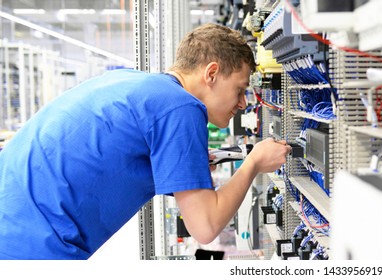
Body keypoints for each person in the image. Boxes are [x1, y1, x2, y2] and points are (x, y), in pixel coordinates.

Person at [0, 23, 291, 259]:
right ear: (211, 73)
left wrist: (189, 164)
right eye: (239, 90)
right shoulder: (181, 107)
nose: (242, 103)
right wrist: (253, 163)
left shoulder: (139, 85)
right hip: (32, 243)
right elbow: (205, 226)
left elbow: (114, 156)